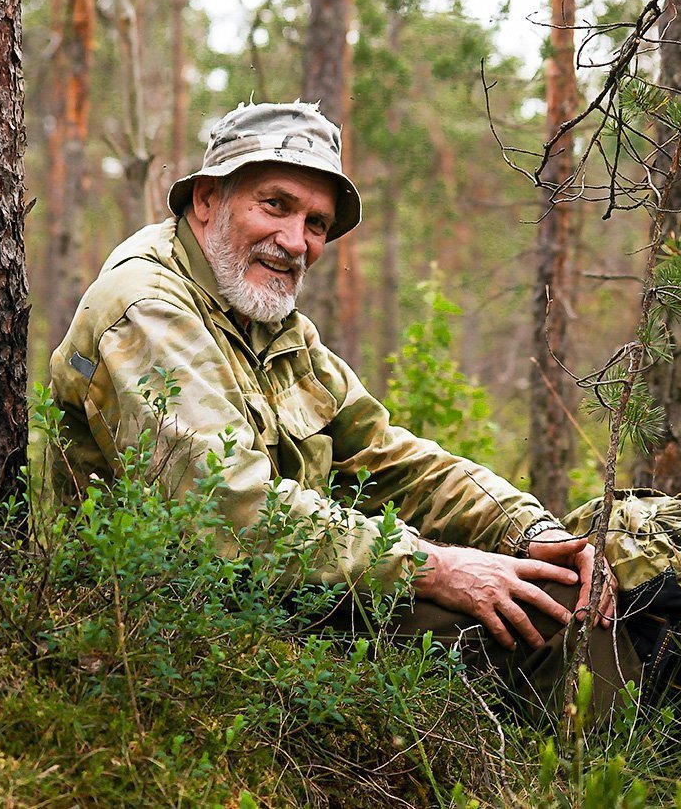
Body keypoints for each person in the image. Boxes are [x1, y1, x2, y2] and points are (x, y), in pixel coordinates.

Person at [49, 101, 638, 722]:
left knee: (571, 591)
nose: (295, 241)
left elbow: (388, 457)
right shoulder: (147, 305)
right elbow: (230, 509)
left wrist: (532, 531)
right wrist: (431, 567)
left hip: (267, 588)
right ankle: (579, 778)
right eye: (275, 205)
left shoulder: (266, 322)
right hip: (162, 626)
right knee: (544, 617)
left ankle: (594, 762)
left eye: (317, 224)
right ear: (205, 199)